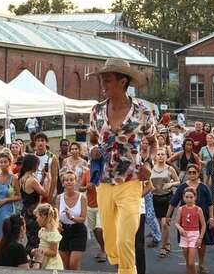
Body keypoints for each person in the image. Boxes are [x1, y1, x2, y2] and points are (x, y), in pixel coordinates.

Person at [89, 58, 157, 274]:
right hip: (104, 184)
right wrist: (92, 150)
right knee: (111, 245)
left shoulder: (142, 111)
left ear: (122, 81)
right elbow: (91, 139)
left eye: (107, 80)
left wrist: (149, 163)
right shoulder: (96, 111)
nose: (103, 84)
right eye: (102, 79)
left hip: (131, 182)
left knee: (126, 239)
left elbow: (154, 142)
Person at [166, 163, 214, 274]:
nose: (192, 174)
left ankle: (201, 264)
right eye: (190, 172)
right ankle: (190, 266)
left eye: (194, 172)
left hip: (202, 219)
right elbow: (173, 203)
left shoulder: (204, 187)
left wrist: (212, 218)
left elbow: (210, 204)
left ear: (198, 173)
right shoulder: (182, 187)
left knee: (202, 242)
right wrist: (168, 216)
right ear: (187, 174)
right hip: (185, 222)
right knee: (186, 244)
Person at [152, 150, 180, 258]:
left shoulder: (170, 169)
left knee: (165, 222)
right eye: (158, 154)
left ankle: (163, 247)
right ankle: (167, 243)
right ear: (155, 157)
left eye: (162, 154)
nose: (160, 156)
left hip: (168, 197)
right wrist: (150, 187)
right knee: (161, 224)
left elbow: (178, 182)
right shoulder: (151, 168)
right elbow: (146, 181)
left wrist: (170, 184)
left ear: (166, 156)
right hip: (156, 198)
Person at [19, 154, 50, 254]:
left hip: (25, 210)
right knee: (35, 239)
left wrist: (42, 178)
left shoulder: (22, 177)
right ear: (33, 165)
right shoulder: (32, 180)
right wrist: (48, 179)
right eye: (37, 164)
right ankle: (33, 260)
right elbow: (45, 193)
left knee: (29, 236)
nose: (38, 166)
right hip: (33, 213)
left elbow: (35, 189)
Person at [57, 171, 87, 270]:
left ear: (75, 182)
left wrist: (72, 218)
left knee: (73, 265)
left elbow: (83, 218)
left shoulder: (82, 198)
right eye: (66, 180)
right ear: (63, 183)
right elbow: (56, 217)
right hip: (63, 231)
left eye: (71, 180)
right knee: (65, 267)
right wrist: (58, 224)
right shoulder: (59, 198)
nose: (69, 182)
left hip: (78, 231)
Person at [175, 187, 207, 274]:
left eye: (191, 197)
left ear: (195, 197)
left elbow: (203, 225)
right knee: (188, 263)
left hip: (194, 235)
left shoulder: (198, 209)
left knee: (191, 262)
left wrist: (200, 238)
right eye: (187, 197)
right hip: (184, 236)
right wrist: (180, 228)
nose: (189, 199)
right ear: (183, 197)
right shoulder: (181, 209)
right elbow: (176, 223)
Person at [81, 167, 106, 262]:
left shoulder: (105, 172)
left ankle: (104, 251)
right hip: (90, 206)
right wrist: (86, 187)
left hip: (102, 206)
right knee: (95, 230)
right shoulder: (87, 173)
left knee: (99, 230)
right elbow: (80, 187)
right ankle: (103, 247)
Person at [0, 151, 21, 243]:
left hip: (6, 209)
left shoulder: (13, 178)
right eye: (1, 162)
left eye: (5, 162)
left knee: (4, 235)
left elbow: (19, 196)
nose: (3, 164)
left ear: (9, 163)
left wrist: (6, 200)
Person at [32, 203, 63, 270]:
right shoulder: (42, 230)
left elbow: (54, 252)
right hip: (44, 260)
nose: (36, 220)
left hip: (52, 265)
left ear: (43, 216)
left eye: (37, 217)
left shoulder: (53, 233)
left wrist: (39, 251)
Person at [33, 133, 59, 203]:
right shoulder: (32, 156)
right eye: (38, 141)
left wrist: (50, 194)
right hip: (35, 188)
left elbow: (54, 178)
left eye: (42, 140)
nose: (40, 143)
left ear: (46, 142)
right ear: (35, 142)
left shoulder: (52, 157)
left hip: (48, 187)